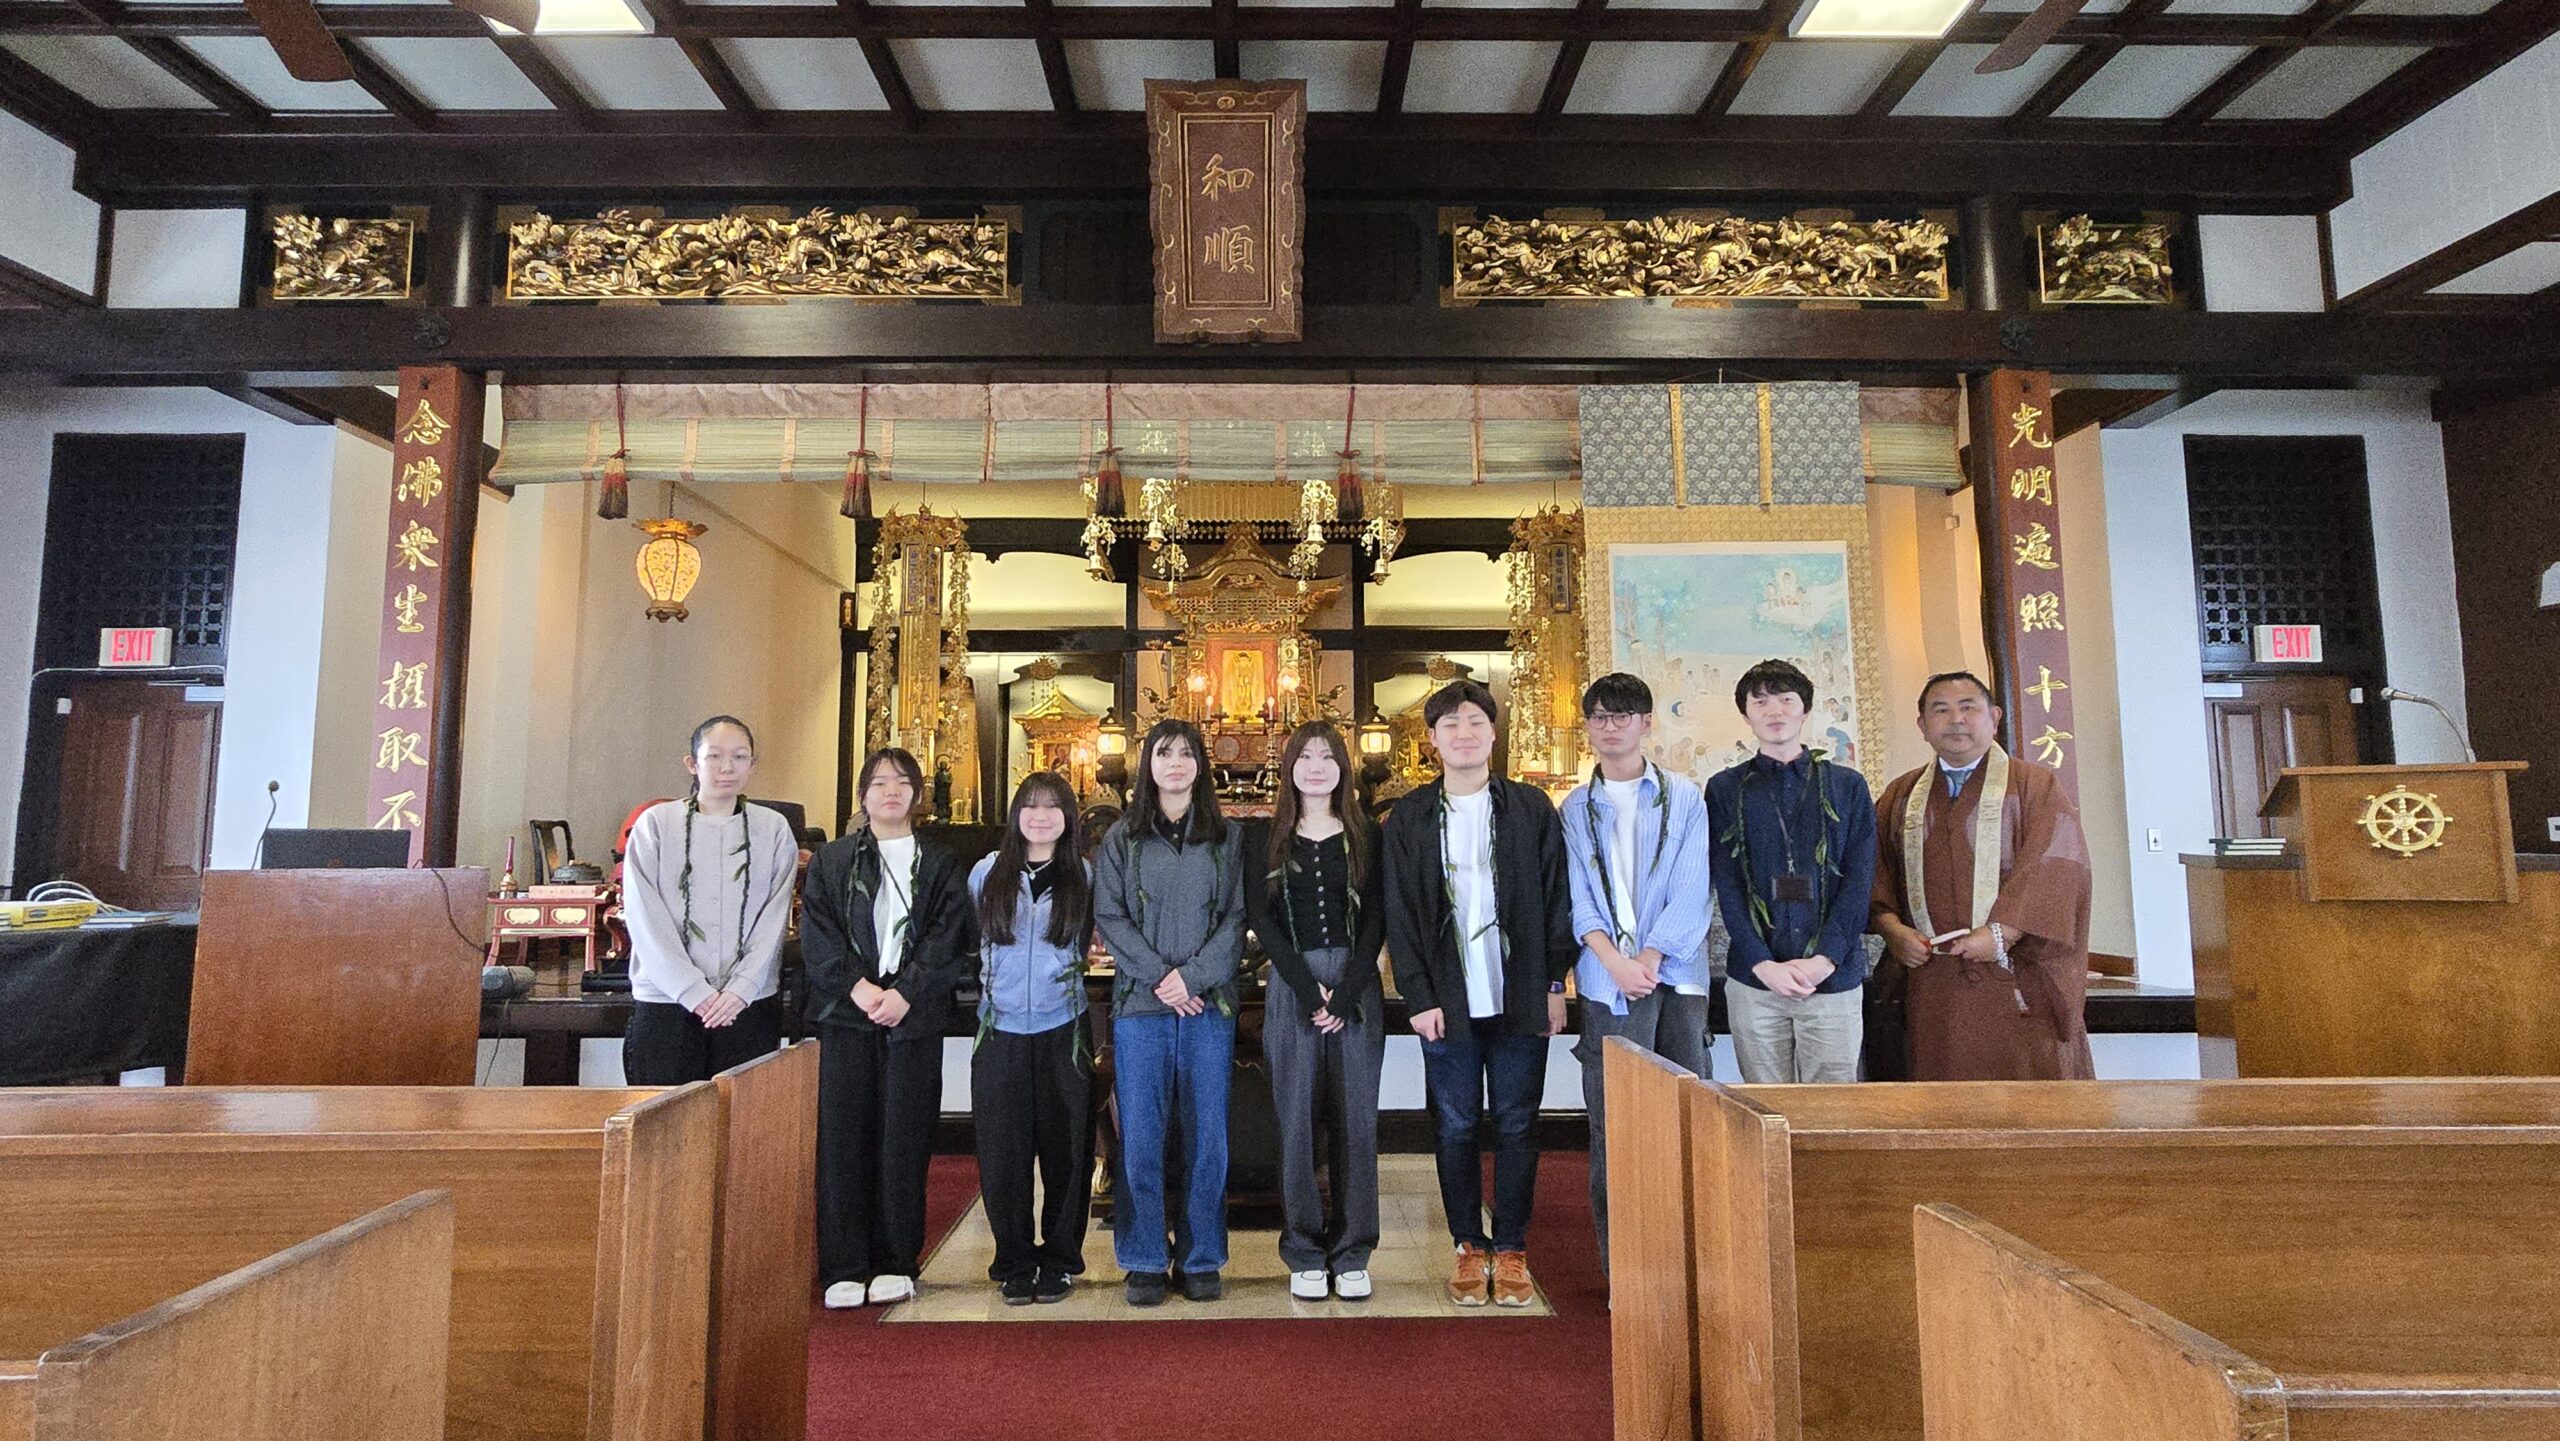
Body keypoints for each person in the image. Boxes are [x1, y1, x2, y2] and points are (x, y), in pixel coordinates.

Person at [1382, 679, 1575, 1309]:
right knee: (1457, 1124)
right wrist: (1418, 996)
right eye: (1450, 725)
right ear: (1432, 739)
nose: (1463, 734)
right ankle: (1468, 1243)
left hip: (1520, 994)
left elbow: (1557, 898)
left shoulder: (1530, 808)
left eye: (1475, 723)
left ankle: (1512, 1246)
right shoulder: (1410, 817)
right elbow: (1399, 914)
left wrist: (1554, 983)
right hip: (1447, 999)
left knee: (1518, 1122)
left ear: (1494, 733)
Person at [802, 747, 971, 1310]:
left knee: (905, 1137)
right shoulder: (833, 860)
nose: (891, 792)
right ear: (862, 795)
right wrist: (859, 988)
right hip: (846, 1016)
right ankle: (844, 1264)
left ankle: (897, 1259)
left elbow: (948, 936)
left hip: (912, 1019)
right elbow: (819, 933)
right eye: (878, 783)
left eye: (902, 782)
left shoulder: (941, 863)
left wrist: (905, 993)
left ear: (918, 794)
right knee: (842, 1138)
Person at [1558, 674, 1714, 1280]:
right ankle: (1624, 1273)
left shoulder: (1684, 796)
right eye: (1598, 716)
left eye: (1622, 715)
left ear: (1647, 722)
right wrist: (1615, 962)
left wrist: (1649, 956)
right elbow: (1578, 899)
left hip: (1675, 979)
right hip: (1607, 984)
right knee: (1616, 1128)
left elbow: (1693, 888)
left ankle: (1694, 1264)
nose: (1610, 726)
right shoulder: (1576, 808)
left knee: (1688, 1118)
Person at [1869, 671, 2097, 1081]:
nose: (1956, 719)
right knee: (1936, 1097)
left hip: (2013, 971)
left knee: (2026, 1101)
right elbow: (1873, 873)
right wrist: (1892, 931)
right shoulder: (1901, 794)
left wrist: (2001, 934)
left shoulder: (2034, 786)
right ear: (1922, 725)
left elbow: (2056, 868)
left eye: (1968, 708)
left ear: (1994, 718)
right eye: (1941, 710)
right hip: (1930, 978)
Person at [1091, 719, 1245, 1307]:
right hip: (1141, 1007)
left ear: (1200, 764)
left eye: (1185, 753)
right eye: (1163, 752)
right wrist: (1163, 979)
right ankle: (1145, 1258)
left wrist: (1194, 978)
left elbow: (1236, 918)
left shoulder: (1226, 837)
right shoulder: (1122, 838)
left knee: (1209, 1137)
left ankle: (1202, 1256)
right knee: (1142, 1136)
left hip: (1209, 1007)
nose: (1175, 762)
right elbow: (1109, 914)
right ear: (1147, 765)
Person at [1242, 721, 1387, 1303]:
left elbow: (1377, 917)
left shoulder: (1366, 835)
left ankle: (1353, 1251)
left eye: (1328, 756)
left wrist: (1346, 994)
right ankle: (1303, 1249)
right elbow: (1260, 916)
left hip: (1356, 986)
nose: (1317, 767)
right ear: (1290, 767)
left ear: (1343, 768)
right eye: (1306, 756)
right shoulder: (1265, 836)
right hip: (1292, 986)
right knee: (1296, 1121)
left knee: (1357, 1122)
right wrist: (1307, 990)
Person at [1706, 659, 1879, 1085]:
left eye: (1786, 700)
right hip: (1756, 981)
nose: (1774, 711)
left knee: (1832, 1108)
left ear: (1805, 710)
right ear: (1746, 715)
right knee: (1764, 1107)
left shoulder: (1847, 786)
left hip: (1832, 979)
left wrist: (1825, 959)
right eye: (1760, 702)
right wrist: (1762, 963)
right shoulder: (1725, 788)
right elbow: (1727, 885)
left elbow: (1859, 882)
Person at [966, 772, 1097, 1305]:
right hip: (999, 1029)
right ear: (1016, 814)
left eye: (1052, 807)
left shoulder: (1082, 875)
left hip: (1064, 1026)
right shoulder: (985, 874)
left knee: (1068, 1150)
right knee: (1004, 1151)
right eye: (1031, 806)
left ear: (1068, 818)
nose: (1041, 817)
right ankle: (1014, 1260)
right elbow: (970, 941)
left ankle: (1061, 1260)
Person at [618, 715, 802, 1085]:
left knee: (745, 1114)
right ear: (692, 763)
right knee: (666, 1112)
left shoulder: (772, 828)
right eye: (714, 756)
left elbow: (774, 917)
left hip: (746, 1002)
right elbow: (644, 915)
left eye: (739, 757)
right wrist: (692, 991)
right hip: (667, 1000)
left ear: (752, 764)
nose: (727, 767)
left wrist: (741, 989)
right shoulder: (656, 824)